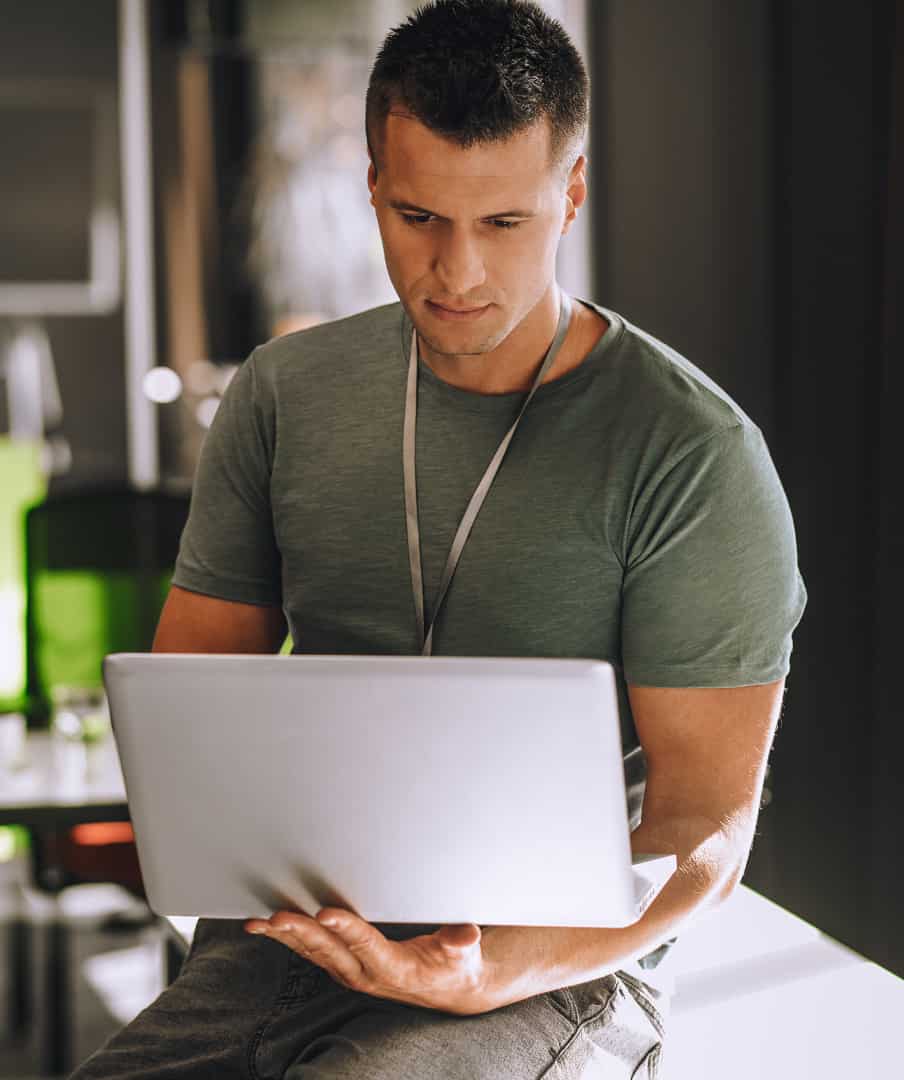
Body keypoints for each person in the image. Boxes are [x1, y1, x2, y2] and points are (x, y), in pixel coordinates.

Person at [71, 1, 806, 1077]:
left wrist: (493, 970)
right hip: (307, 919)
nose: (456, 275)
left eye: (503, 223)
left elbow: (706, 837)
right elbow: (189, 697)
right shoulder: (285, 395)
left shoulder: (687, 452)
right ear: (371, 183)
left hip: (559, 954)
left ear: (572, 193)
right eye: (419, 217)